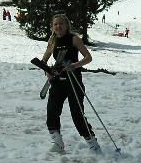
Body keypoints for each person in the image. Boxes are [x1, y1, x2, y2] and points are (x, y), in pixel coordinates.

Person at [40, 14, 100, 153]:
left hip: (74, 81)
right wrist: (47, 72)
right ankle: (57, 142)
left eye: (61, 24)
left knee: (77, 114)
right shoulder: (53, 40)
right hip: (58, 81)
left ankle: (92, 142)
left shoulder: (74, 39)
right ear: (52, 27)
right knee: (52, 112)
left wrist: (74, 65)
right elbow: (44, 60)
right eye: (55, 24)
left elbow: (88, 58)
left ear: (67, 25)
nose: (58, 26)